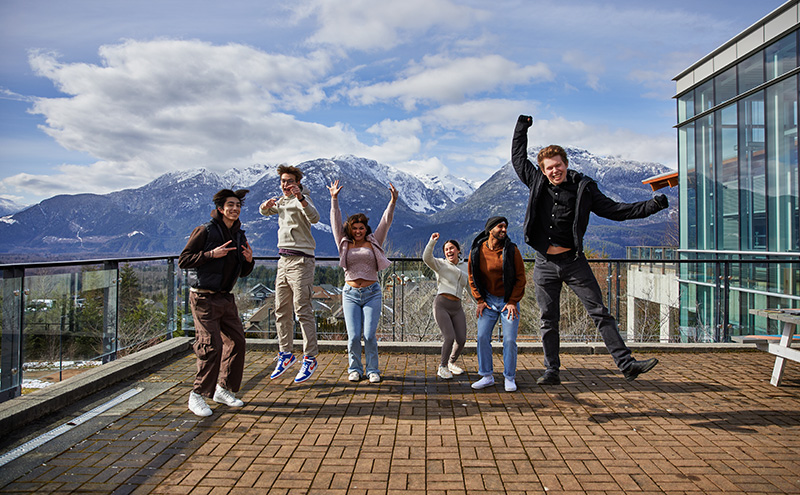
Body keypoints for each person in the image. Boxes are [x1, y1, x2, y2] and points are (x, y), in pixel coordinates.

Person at [511, 115, 669, 384]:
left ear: (565, 164)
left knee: (599, 312)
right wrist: (522, 127)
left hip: (574, 262)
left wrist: (653, 205)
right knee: (548, 319)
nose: (554, 171)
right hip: (544, 263)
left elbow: (616, 211)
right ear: (543, 170)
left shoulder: (584, 187)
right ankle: (551, 371)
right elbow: (517, 157)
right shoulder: (536, 181)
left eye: (557, 165)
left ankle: (627, 364)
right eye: (548, 168)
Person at [179, 189, 255, 417]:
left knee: (237, 341)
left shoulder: (239, 234)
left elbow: (242, 271)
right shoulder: (205, 230)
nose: (235, 209)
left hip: (225, 297)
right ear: (220, 208)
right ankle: (197, 395)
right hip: (203, 297)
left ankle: (222, 389)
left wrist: (250, 261)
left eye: (238, 206)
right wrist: (211, 254)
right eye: (230, 205)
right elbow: (184, 260)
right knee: (211, 345)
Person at [328, 179, 398, 384]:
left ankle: (373, 369)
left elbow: (386, 221)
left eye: (361, 228)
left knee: (368, 335)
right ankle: (355, 368)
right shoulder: (343, 242)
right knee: (352, 336)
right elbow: (335, 221)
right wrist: (334, 199)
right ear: (350, 229)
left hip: (372, 293)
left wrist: (393, 201)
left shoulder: (374, 240)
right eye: (355, 228)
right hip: (350, 293)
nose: (358, 231)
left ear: (365, 228)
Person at [260, 165, 321, 384]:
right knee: (280, 309)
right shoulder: (282, 201)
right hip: (283, 261)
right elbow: (265, 211)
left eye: (290, 181)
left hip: (302, 261)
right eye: (283, 181)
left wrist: (301, 198)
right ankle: (286, 353)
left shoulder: (303, 199)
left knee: (302, 309)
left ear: (297, 183)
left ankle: (310, 357)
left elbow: (314, 218)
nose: (286, 185)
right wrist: (265, 206)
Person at [468, 216, 526, 392]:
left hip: (508, 301)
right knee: (482, 337)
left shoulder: (511, 250)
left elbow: (520, 278)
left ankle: (509, 377)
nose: (504, 230)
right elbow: (472, 276)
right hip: (488, 301)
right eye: (500, 226)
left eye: (505, 227)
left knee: (509, 340)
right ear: (490, 229)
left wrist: (513, 301)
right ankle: (486, 376)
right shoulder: (477, 251)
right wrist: (479, 300)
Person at [422, 233, 469, 380]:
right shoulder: (440, 264)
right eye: (446, 249)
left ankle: (450, 363)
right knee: (449, 337)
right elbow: (426, 258)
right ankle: (442, 367)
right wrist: (432, 242)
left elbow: (470, 288)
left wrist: (481, 304)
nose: (449, 251)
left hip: (457, 307)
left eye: (452, 248)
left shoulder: (466, 267)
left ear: (458, 250)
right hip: (442, 305)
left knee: (461, 339)